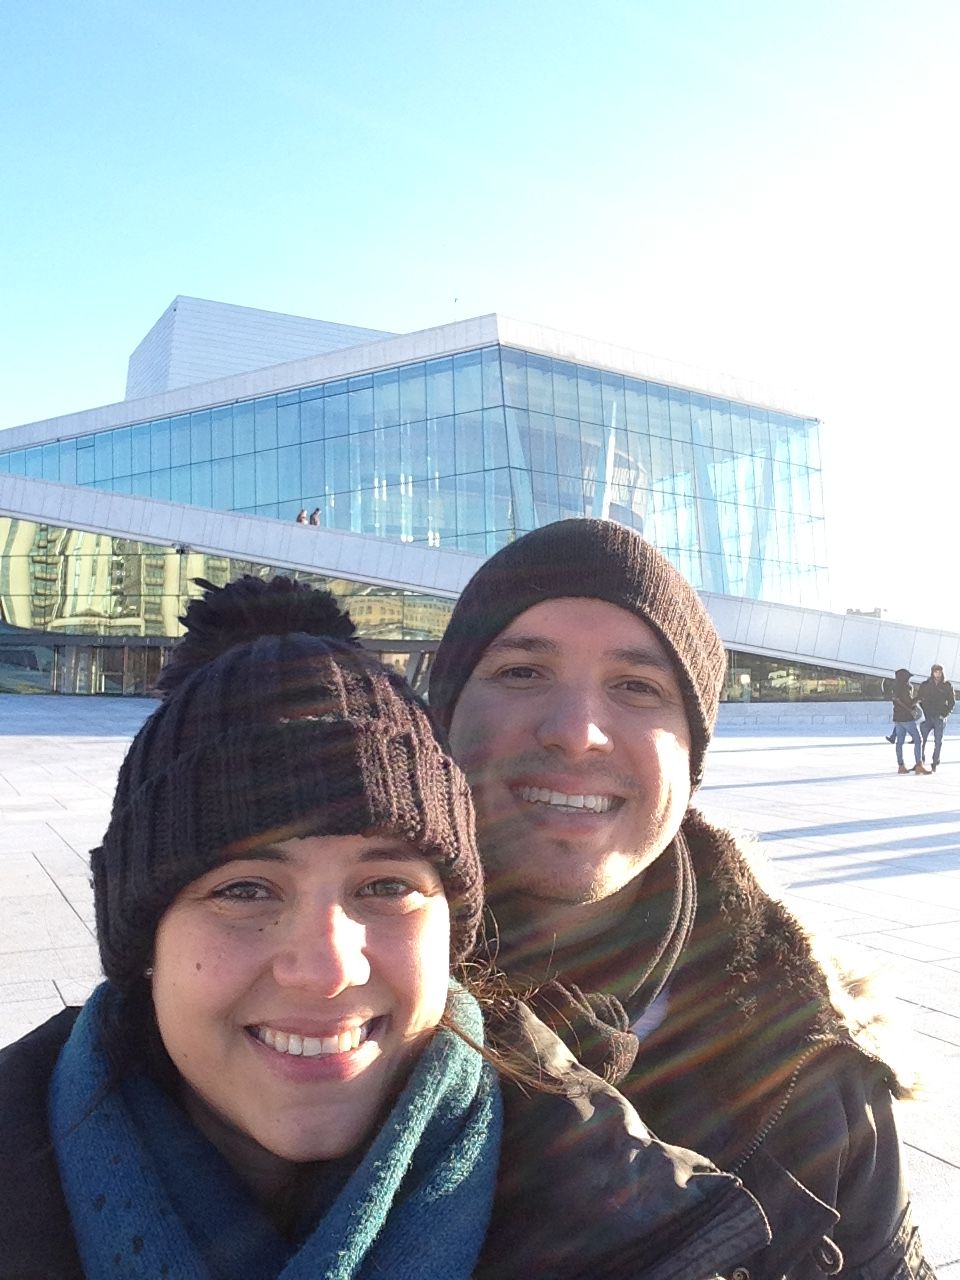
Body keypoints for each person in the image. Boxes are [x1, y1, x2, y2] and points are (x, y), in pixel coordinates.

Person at [0, 574, 769, 1280]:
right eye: (245, 889)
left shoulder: (633, 1222)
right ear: (145, 942)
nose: (326, 967)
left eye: (386, 887)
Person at [429, 518, 936, 1280]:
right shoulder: (319, 1006)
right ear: (443, 715)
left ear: (692, 755)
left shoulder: (815, 1059)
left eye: (637, 687)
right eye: (523, 672)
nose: (577, 732)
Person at [890, 667, 930, 775]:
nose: (909, 680)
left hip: (897, 718)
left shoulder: (895, 688)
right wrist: (919, 698)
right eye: (908, 678)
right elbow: (909, 703)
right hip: (907, 718)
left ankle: (901, 765)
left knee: (899, 742)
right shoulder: (905, 687)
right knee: (918, 740)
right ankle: (919, 765)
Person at [918, 663, 954, 772]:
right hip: (927, 717)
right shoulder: (925, 685)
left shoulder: (947, 685)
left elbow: (951, 702)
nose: (937, 674)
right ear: (932, 673)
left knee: (938, 741)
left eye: (939, 672)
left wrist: (944, 714)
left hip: (939, 717)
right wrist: (922, 712)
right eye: (935, 672)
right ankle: (921, 760)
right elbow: (919, 699)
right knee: (921, 740)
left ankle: (935, 760)